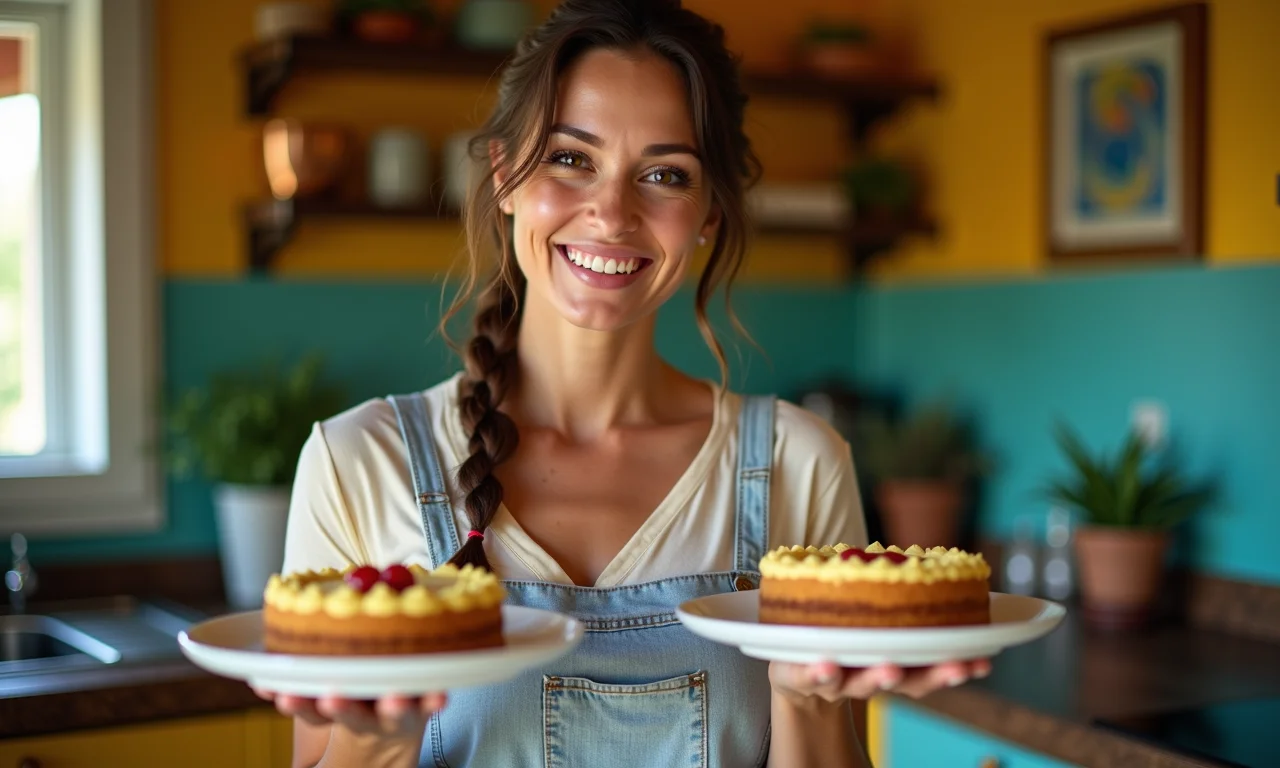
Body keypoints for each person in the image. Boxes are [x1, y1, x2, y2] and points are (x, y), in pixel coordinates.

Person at [256, 1, 990, 766]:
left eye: (665, 174)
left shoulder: (799, 463)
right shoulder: (356, 462)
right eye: (571, 158)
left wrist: (807, 701)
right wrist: (376, 741)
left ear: (709, 214)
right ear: (504, 174)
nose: (611, 213)